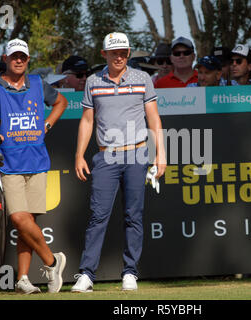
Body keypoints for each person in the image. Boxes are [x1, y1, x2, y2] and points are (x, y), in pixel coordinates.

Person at [72, 32, 166, 292]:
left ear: (128, 52)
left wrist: (161, 154)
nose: (119, 56)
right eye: (114, 52)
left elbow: (154, 119)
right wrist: (79, 154)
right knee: (98, 216)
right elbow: (88, 120)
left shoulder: (142, 78)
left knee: (133, 216)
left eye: (123, 51)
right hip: (105, 155)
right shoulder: (93, 81)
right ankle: (87, 274)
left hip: (137, 154)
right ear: (104, 54)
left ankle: (130, 273)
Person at [0, 38, 68, 294]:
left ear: (28, 60)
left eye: (23, 57)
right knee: (19, 218)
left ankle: (24, 280)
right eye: (14, 56)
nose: (19, 60)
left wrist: (46, 125)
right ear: (4, 59)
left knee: (28, 223)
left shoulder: (38, 83)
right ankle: (53, 261)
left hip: (36, 160)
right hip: (7, 162)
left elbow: (61, 102)